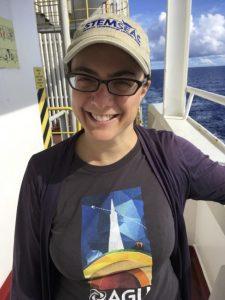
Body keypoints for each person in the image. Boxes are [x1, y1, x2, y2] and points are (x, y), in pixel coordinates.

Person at [10, 13, 225, 300]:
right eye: (86, 78)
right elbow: (27, 282)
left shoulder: (171, 155)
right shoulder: (42, 173)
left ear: (143, 89)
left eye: (122, 81)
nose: (101, 100)